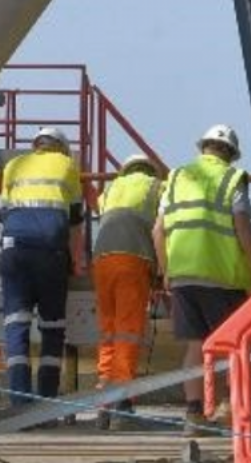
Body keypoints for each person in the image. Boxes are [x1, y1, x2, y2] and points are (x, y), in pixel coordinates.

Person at [154, 124, 251, 434]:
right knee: (234, 345)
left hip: (182, 275)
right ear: (231, 154)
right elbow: (243, 227)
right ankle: (236, 412)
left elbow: (158, 230)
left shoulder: (177, 177)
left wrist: (166, 270)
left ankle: (194, 415)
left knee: (195, 346)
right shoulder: (232, 178)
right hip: (222, 276)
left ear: (202, 147)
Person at [0, 126, 85, 407]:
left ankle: (19, 403)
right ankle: (46, 402)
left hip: (14, 253)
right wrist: (77, 262)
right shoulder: (68, 166)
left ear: (36, 145)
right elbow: (75, 222)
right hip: (51, 255)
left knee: (16, 325)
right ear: (60, 147)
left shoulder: (13, 166)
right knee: (52, 327)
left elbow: (3, 214)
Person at [90, 153, 162, 427]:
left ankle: (104, 402)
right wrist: (161, 268)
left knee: (109, 332)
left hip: (102, 261)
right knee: (127, 332)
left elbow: (98, 211)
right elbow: (162, 226)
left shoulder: (110, 189)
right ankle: (122, 403)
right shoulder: (157, 187)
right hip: (133, 259)